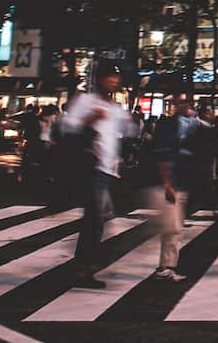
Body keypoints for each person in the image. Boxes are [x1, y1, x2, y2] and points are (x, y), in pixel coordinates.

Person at [61, 62, 133, 289]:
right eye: (110, 77)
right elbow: (67, 127)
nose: (114, 81)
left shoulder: (114, 107)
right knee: (95, 219)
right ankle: (83, 269)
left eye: (116, 77)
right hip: (93, 168)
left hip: (109, 170)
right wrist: (90, 118)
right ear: (100, 79)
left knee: (99, 220)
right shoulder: (87, 102)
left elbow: (126, 131)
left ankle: (85, 264)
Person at [149, 93, 199, 282]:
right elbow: (162, 155)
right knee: (173, 227)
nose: (186, 106)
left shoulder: (191, 124)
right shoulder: (167, 125)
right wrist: (167, 183)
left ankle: (167, 267)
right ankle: (164, 268)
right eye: (181, 102)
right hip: (171, 181)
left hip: (182, 180)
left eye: (187, 102)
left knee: (175, 227)